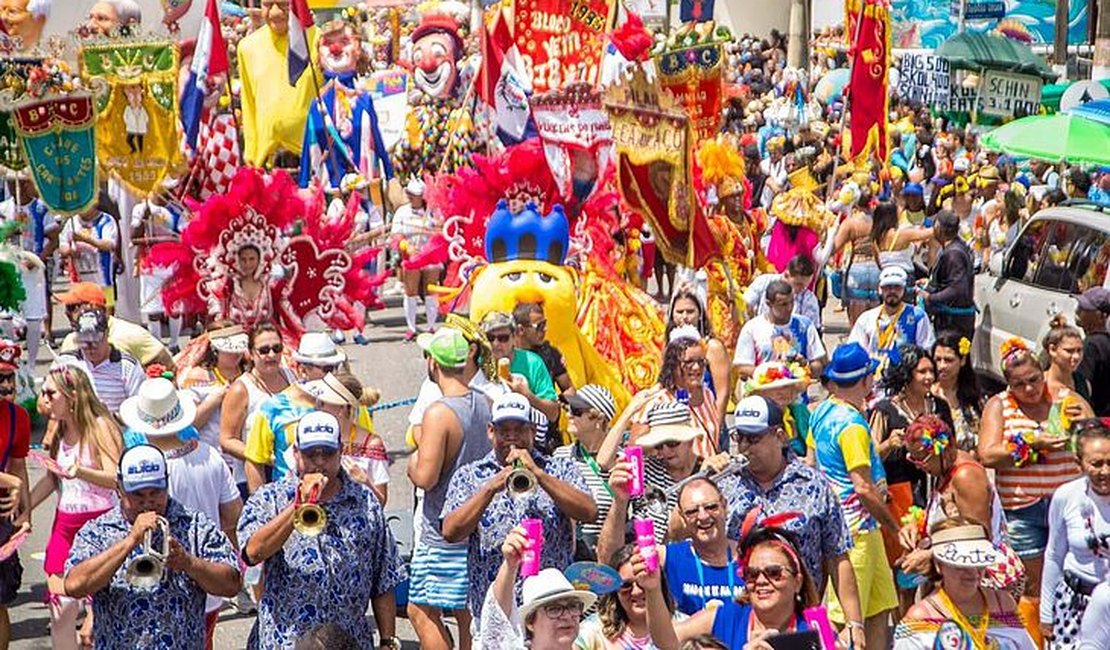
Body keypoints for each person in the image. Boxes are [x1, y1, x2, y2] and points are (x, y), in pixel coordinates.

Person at [238, 411, 406, 649]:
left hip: (348, 640)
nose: (319, 462)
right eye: (310, 454)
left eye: (327, 454)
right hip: (286, 641)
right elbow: (252, 553)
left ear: (341, 451)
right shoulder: (269, 499)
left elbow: (383, 578)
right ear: (296, 453)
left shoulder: (365, 502)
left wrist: (388, 640)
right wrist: (298, 506)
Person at [719, 396, 865, 648]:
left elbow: (837, 556)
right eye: (739, 437)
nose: (744, 447)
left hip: (808, 615)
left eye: (753, 439)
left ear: (780, 436)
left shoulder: (814, 484)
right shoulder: (725, 484)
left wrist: (855, 624)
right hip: (745, 615)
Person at [64, 444, 240, 650]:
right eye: (137, 494)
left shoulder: (196, 525)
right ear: (119, 488)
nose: (148, 501)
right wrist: (129, 542)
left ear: (167, 483)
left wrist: (190, 563)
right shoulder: (97, 530)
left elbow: (232, 585)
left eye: (156, 491)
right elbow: (74, 586)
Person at [978, 337, 1093, 646]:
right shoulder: (999, 405)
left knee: (1075, 580)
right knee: (1032, 585)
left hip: (1066, 504)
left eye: (1033, 380)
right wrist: (1029, 444)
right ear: (1008, 385)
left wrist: (1082, 426)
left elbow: (1095, 445)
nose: (1029, 389)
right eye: (1019, 384)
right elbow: (987, 454)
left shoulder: (1064, 399)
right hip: (1023, 508)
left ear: (1042, 373)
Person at [441, 393, 596, 620]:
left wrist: (539, 474)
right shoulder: (469, 475)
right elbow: (450, 532)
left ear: (533, 431)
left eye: (520, 429)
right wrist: (490, 488)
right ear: (491, 432)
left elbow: (589, 512)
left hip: (551, 606)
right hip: (495, 607)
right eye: (504, 431)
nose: (512, 438)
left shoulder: (559, 468)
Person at [118, 377, 242, 649]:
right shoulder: (211, 455)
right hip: (206, 579)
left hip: (153, 585)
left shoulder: (140, 469)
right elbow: (233, 516)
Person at [407, 327, 493, 649]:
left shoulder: (439, 412)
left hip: (441, 530)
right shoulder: (485, 402)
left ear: (434, 363)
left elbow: (426, 477)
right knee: (466, 614)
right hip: (476, 525)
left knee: (421, 610)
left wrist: (411, 463)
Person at [809, 342, 899, 649]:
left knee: (879, 608)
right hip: (853, 534)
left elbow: (811, 463)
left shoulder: (820, 411)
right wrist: (895, 526)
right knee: (844, 621)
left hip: (862, 531)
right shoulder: (851, 427)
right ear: (865, 380)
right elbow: (863, 488)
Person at [32, 363, 122, 650]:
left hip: (99, 527)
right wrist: (24, 509)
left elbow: (116, 478)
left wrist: (82, 471)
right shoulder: (58, 429)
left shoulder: (100, 426)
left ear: (72, 396)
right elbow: (52, 478)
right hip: (64, 527)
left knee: (98, 624)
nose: (43, 399)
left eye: (50, 393)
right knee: (60, 613)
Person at [667, 525, 820, 648]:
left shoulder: (818, 626)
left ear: (797, 582)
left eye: (774, 572)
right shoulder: (726, 617)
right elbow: (665, 642)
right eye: (752, 574)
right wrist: (653, 589)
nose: (761, 581)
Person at [242, 332, 358, 491]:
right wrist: (263, 508)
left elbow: (365, 445)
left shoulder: (347, 402)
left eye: (336, 367)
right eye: (326, 368)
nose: (333, 375)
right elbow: (255, 462)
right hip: (290, 502)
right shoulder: (272, 409)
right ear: (303, 370)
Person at [597, 400, 717, 553]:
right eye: (659, 446)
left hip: (689, 559)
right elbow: (603, 462)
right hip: (644, 557)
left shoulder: (709, 472)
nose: (665, 452)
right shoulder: (645, 468)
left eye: (672, 443)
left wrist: (702, 476)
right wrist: (630, 411)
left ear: (690, 440)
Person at [893, 519, 1034, 649]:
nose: (973, 572)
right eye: (961, 566)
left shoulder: (1002, 604)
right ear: (939, 565)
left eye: (978, 564)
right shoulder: (921, 616)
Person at [1040, 418, 1110, 647]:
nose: (1105, 472)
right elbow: (1054, 555)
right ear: (1079, 464)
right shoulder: (1066, 496)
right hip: (1072, 603)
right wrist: (1045, 615)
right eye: (1096, 464)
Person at [236, 0, 318, 165]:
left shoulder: (317, 40)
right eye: (268, 5)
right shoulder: (247, 48)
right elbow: (249, 105)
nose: (275, 12)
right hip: (267, 160)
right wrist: (251, 156)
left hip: (313, 156)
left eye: (283, 5)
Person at [221, 323, 294, 498]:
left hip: (291, 471)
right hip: (255, 475)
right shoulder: (241, 389)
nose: (271, 355)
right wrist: (262, 455)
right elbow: (227, 439)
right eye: (264, 350)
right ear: (251, 354)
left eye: (277, 348)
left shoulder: (291, 376)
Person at [553, 384, 617, 562]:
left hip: (608, 559)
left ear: (599, 419)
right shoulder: (561, 456)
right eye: (568, 409)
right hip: (570, 559)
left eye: (577, 411)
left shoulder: (622, 461)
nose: (569, 415)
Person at [574, 542, 681, 649]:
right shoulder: (593, 631)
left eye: (642, 583)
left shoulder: (682, 626)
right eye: (626, 585)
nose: (636, 592)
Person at [304, 372, 389, 503]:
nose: (316, 407)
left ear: (341, 408)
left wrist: (365, 482)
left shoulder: (371, 445)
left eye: (322, 403)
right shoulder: (309, 435)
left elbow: (381, 502)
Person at [55, 282, 175, 371]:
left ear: (92, 307)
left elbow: (168, 366)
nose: (66, 313)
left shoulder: (130, 334)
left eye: (71, 308)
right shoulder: (70, 341)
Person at [848, 267, 935, 379]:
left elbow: (926, 350)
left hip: (905, 379)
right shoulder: (866, 318)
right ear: (880, 289)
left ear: (904, 289)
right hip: (871, 380)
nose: (892, 291)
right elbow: (855, 350)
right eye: (887, 287)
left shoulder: (917, 316)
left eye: (897, 287)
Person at [732, 279, 826, 383]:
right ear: (769, 304)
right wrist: (771, 374)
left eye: (792, 302)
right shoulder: (752, 328)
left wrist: (805, 365)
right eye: (783, 304)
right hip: (762, 395)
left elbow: (819, 364)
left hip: (797, 397)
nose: (790, 308)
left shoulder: (804, 325)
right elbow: (742, 367)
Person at [179, 324, 249, 454]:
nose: (235, 354)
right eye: (229, 350)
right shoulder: (199, 376)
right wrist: (215, 400)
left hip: (244, 452)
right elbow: (189, 424)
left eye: (238, 349)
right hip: (211, 453)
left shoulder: (249, 373)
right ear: (215, 349)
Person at [665, 286, 731, 424]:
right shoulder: (668, 347)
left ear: (700, 314)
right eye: (679, 312)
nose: (684, 317)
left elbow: (723, 393)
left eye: (690, 311)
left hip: (708, 420)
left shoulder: (713, 347)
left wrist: (715, 428)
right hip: (677, 422)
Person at [56, 308, 142, 414]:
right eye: (84, 339)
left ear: (107, 334)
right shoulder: (67, 362)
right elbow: (46, 405)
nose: (90, 346)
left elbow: (138, 408)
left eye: (96, 338)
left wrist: (112, 418)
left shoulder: (127, 367)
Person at [480, 311, 561, 423]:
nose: (496, 343)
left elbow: (553, 413)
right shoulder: (475, 364)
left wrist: (526, 394)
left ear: (514, 337)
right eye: (490, 338)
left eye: (503, 338)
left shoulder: (532, 362)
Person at [652, 334, 720, 456]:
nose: (696, 367)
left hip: (711, 473)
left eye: (701, 361)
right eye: (688, 362)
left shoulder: (708, 395)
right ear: (673, 365)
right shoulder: (659, 401)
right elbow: (638, 447)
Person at [391, 178, 441, 341]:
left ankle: (431, 326)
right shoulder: (402, 212)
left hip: (430, 255)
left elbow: (441, 231)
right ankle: (411, 328)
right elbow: (396, 235)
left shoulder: (433, 211)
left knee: (430, 290)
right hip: (411, 255)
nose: (412, 197)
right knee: (410, 291)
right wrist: (407, 247)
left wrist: (435, 233)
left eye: (416, 195)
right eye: (410, 194)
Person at [920, 210, 976, 341]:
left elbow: (957, 288)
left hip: (954, 323)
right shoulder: (955, 247)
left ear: (938, 227)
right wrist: (931, 283)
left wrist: (931, 297)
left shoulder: (953, 254)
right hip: (951, 320)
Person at [931, 332, 984, 451]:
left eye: (948, 360)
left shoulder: (973, 398)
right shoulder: (927, 396)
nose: (941, 366)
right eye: (938, 359)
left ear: (962, 361)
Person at [742, 254, 822, 332]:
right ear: (786, 275)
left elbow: (812, 330)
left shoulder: (809, 299)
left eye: (806, 285)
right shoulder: (763, 282)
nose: (803, 289)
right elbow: (745, 304)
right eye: (799, 284)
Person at [514, 302, 574, 397]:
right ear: (521, 330)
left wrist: (558, 402)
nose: (545, 329)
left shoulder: (550, 354)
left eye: (545, 324)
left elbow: (567, 388)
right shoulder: (507, 354)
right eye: (539, 326)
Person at [1076, 287, 1110, 417]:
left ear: (1101, 316)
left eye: (1085, 309)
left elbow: (1084, 386)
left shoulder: (1092, 345)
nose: (1078, 311)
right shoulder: (1103, 341)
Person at [1041, 315, 1090, 401]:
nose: (1076, 356)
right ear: (1052, 350)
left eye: (1079, 350)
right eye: (1069, 351)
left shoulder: (1083, 384)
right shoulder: (1039, 383)